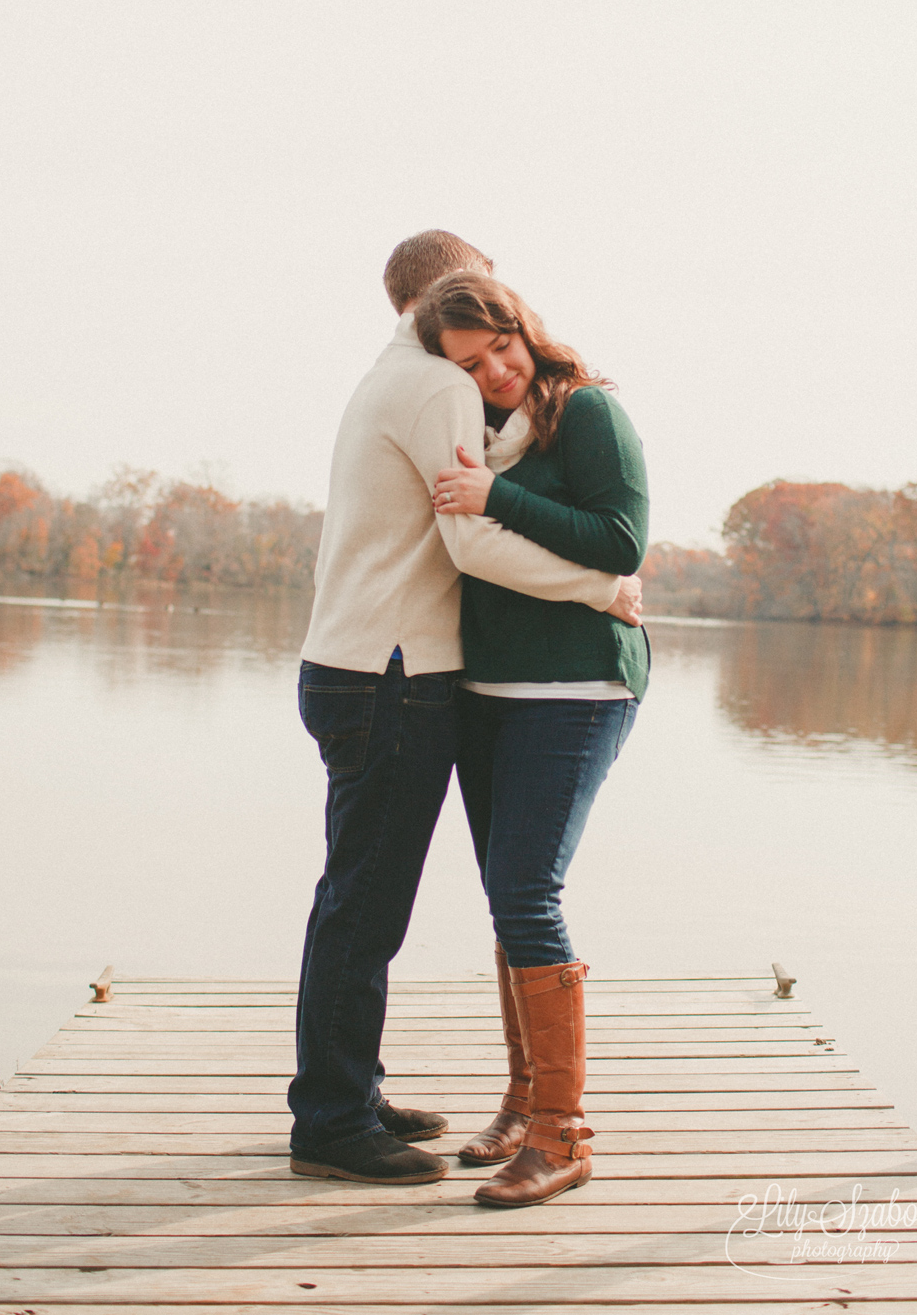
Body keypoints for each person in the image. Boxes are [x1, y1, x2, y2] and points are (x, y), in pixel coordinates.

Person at [289, 230, 642, 1186]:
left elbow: (592, 517)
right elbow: (473, 544)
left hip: (360, 665)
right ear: (446, 297)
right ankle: (331, 1117)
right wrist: (601, 589)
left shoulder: (388, 375)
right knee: (365, 907)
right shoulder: (440, 388)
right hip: (393, 674)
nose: (489, 359)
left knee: (362, 898)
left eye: (500, 339)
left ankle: (349, 1092)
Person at [414, 269, 649, 1207]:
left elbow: (619, 541)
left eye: (501, 345)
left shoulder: (586, 412)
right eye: (470, 364)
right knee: (503, 894)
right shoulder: (468, 433)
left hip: (581, 682)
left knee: (526, 890)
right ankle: (521, 1100)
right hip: (486, 689)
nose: (496, 369)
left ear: (525, 329)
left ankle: (565, 1132)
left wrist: (496, 498)